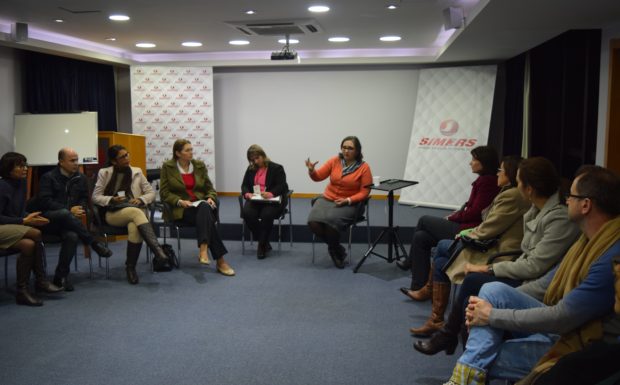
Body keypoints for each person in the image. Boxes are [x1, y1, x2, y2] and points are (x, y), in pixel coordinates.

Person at [440, 165, 620, 385]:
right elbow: (548, 282)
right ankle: (465, 377)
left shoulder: (609, 256)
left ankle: (464, 376)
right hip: (566, 323)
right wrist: (487, 307)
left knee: (488, 355)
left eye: (570, 196)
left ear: (585, 205)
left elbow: (562, 317)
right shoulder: (587, 240)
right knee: (490, 290)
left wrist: (491, 316)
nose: (566, 201)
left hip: (579, 341)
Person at [414, 157, 581, 355]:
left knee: (470, 280)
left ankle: (453, 339)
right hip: (519, 267)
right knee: (459, 274)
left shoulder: (558, 218)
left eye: (519, 181)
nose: (515, 185)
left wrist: (487, 268)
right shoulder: (538, 209)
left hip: (533, 281)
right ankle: (453, 338)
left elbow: (534, 266)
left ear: (529, 189)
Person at [409, 156, 530, 336]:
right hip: (489, 242)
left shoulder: (511, 195)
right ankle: (436, 316)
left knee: (440, 244)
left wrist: (466, 234)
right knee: (436, 251)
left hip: (497, 252)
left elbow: (489, 226)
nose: (498, 173)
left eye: (501, 170)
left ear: (511, 174)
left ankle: (432, 303)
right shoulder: (506, 191)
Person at [399, 146, 501, 299]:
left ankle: (409, 261)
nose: (470, 163)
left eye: (474, 159)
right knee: (421, 237)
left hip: (468, 230)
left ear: (484, 162)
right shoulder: (484, 179)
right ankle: (419, 287)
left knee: (424, 220)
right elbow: (471, 207)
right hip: (465, 224)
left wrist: (452, 217)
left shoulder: (487, 182)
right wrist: (456, 214)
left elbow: (475, 213)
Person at [28, 148, 112, 291]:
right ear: (61, 162)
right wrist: (68, 209)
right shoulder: (48, 177)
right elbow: (44, 202)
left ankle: (60, 277)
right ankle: (93, 243)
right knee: (63, 212)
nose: (76, 163)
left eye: (77, 160)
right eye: (72, 160)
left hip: (69, 222)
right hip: (47, 219)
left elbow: (84, 199)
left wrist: (80, 209)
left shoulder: (81, 178)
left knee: (72, 236)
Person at [92, 145, 170, 284]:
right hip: (113, 213)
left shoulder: (137, 171)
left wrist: (141, 199)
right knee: (136, 212)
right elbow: (95, 197)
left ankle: (130, 268)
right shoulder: (105, 173)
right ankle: (158, 251)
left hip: (135, 213)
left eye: (127, 154)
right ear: (114, 161)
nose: (127, 158)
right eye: (122, 157)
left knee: (135, 226)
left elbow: (151, 193)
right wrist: (111, 199)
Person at [159, 139, 234, 276]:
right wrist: (179, 201)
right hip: (182, 210)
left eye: (191, 149)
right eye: (187, 150)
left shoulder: (199, 165)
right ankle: (220, 261)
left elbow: (210, 188)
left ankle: (204, 250)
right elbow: (164, 193)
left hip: (199, 206)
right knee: (208, 219)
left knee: (205, 207)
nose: (191, 152)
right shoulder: (168, 167)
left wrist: (210, 197)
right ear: (178, 153)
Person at [0, 152, 62, 306]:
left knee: (29, 245)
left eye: (25, 165)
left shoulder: (21, 183)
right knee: (35, 233)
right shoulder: (1, 186)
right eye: (21, 166)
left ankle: (22, 291)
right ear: (8, 169)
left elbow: (17, 212)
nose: (25, 169)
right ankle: (41, 280)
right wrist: (24, 221)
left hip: (10, 227)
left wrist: (31, 217)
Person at [305, 136, 372, 269]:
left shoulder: (364, 167)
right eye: (344, 147)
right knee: (313, 222)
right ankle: (336, 248)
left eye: (350, 148)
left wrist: (348, 200)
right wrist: (312, 171)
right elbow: (318, 177)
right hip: (327, 198)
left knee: (331, 221)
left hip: (350, 203)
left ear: (357, 151)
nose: (346, 151)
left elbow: (365, 192)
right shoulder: (335, 161)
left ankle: (334, 253)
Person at [241, 144, 289, 259]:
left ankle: (261, 245)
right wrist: (247, 194)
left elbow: (282, 186)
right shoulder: (251, 169)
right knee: (247, 213)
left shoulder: (277, 168)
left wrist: (271, 193)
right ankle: (265, 241)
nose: (255, 161)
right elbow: (244, 185)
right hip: (256, 199)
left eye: (257, 158)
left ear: (263, 155)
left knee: (266, 215)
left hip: (272, 200)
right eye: (252, 160)